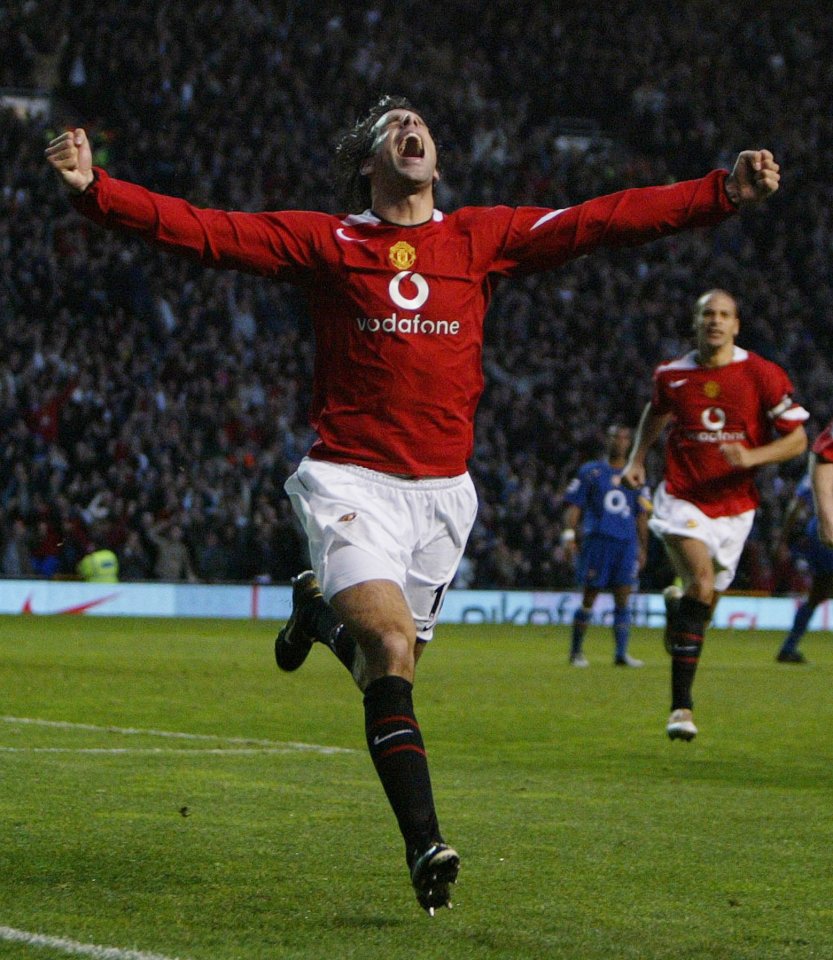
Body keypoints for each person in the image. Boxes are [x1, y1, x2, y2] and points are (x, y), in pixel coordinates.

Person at [46, 98, 781, 913]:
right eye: (393, 122)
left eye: (420, 120)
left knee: (381, 670)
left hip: (443, 498)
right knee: (392, 647)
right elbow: (209, 231)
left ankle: (313, 613)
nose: (412, 127)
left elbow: (601, 219)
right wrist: (95, 191)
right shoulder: (328, 241)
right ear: (368, 160)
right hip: (350, 482)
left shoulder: (479, 237)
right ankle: (425, 844)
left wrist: (720, 192)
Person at [622, 290, 808, 742]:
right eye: (708, 314)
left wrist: (751, 457)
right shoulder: (672, 374)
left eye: (724, 315)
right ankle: (681, 708)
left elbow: (798, 440)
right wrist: (637, 458)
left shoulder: (762, 374)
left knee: (703, 604)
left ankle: (677, 612)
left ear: (736, 325)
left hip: (736, 509)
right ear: (696, 321)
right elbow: (657, 411)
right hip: (682, 498)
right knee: (702, 584)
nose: (715, 322)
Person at [561, 424, 650, 667]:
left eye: (624, 437)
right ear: (607, 440)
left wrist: (643, 547)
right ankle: (576, 652)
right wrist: (569, 535)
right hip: (598, 541)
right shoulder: (591, 471)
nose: (620, 441)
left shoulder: (636, 473)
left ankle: (621, 653)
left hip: (626, 543)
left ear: (629, 442)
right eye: (615, 437)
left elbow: (641, 514)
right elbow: (575, 506)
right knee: (589, 597)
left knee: (623, 598)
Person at [775, 420, 833, 662]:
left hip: (817, 531)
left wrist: (783, 540)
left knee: (818, 592)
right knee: (819, 592)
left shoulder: (815, 473)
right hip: (827, 530)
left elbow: (795, 507)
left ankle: (789, 647)